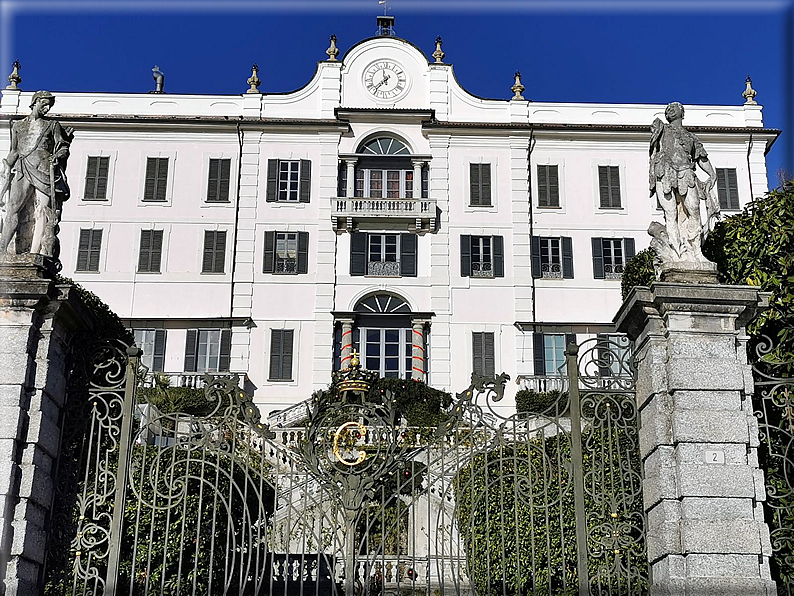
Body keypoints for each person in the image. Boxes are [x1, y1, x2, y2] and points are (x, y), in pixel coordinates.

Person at [0, 90, 73, 258]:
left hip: (44, 169)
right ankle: (3, 250)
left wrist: (58, 155)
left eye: (49, 105)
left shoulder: (52, 125)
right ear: (36, 102)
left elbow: (63, 147)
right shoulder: (18, 126)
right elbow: (13, 152)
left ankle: (36, 252)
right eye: (45, 104)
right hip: (23, 167)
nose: (47, 108)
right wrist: (5, 168)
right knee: (13, 208)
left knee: (43, 210)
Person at [649, 101, 720, 263]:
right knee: (671, 213)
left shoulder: (690, 137)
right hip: (665, 172)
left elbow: (701, 157)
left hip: (686, 172)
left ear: (682, 113)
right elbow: (653, 148)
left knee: (694, 208)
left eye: (674, 108)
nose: (670, 110)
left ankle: (695, 248)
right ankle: (676, 252)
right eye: (668, 109)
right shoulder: (662, 128)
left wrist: (712, 174)